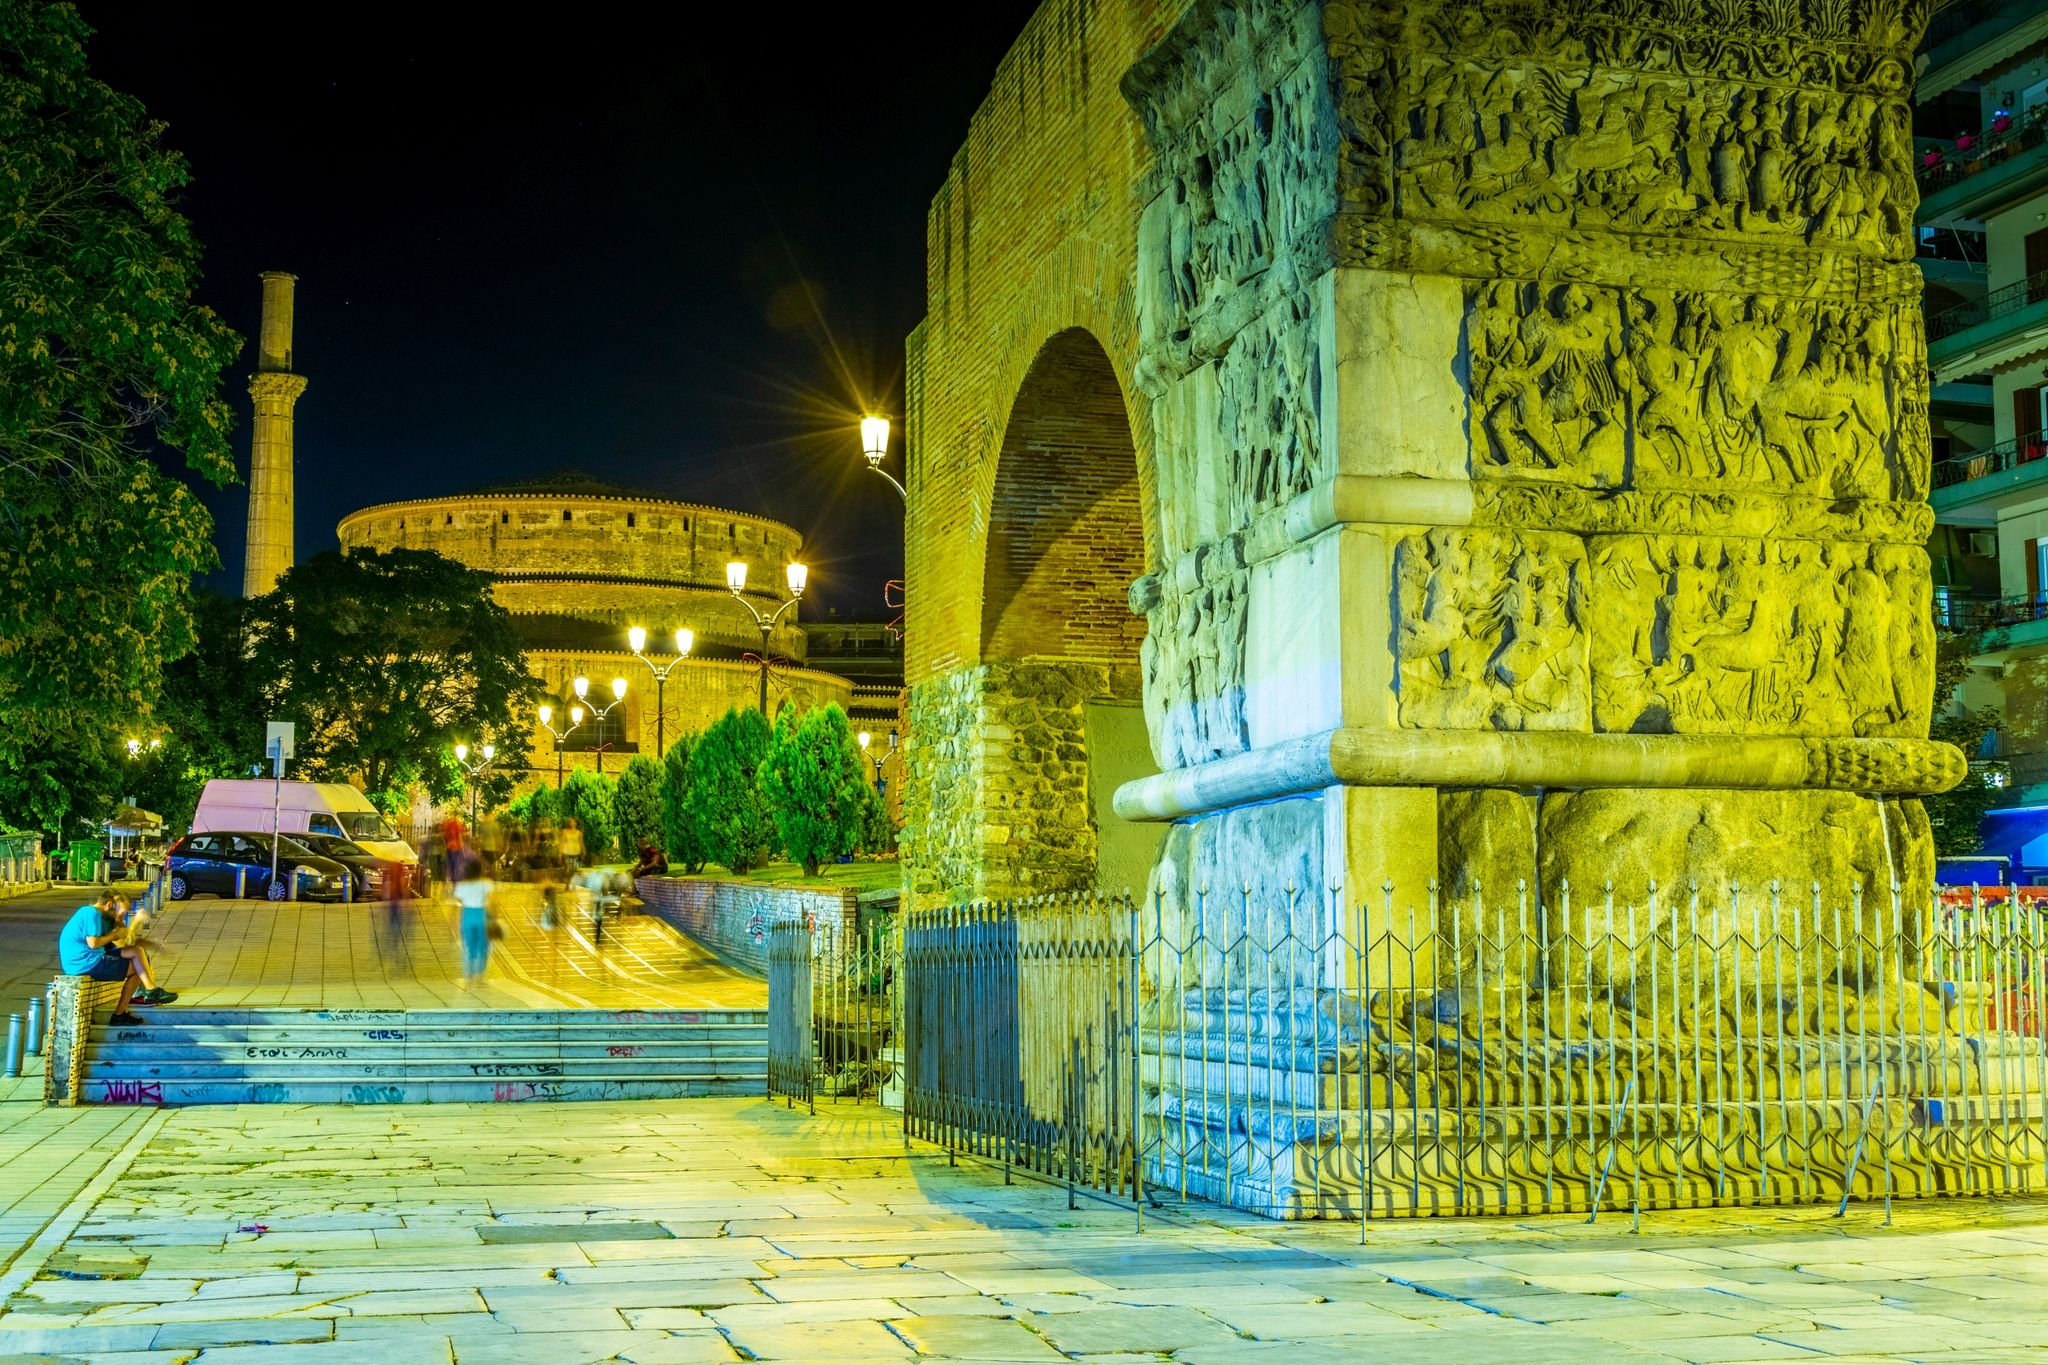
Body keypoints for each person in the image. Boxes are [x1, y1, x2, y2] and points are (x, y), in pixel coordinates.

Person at [58, 892, 175, 1025]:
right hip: (85, 963)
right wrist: (131, 924)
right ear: (109, 905)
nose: (122, 917)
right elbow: (93, 943)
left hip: (89, 959)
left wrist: (154, 945)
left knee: (138, 953)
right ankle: (126, 1009)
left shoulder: (98, 916)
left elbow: (126, 944)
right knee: (137, 968)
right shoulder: (92, 913)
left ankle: (150, 990)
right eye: (122, 912)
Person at [442, 819, 492, 981]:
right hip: (481, 915)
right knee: (482, 945)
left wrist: (451, 923)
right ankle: (480, 974)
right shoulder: (485, 882)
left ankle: (470, 974)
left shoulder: (454, 850)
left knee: (469, 945)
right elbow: (492, 901)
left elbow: (455, 903)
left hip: (467, 915)